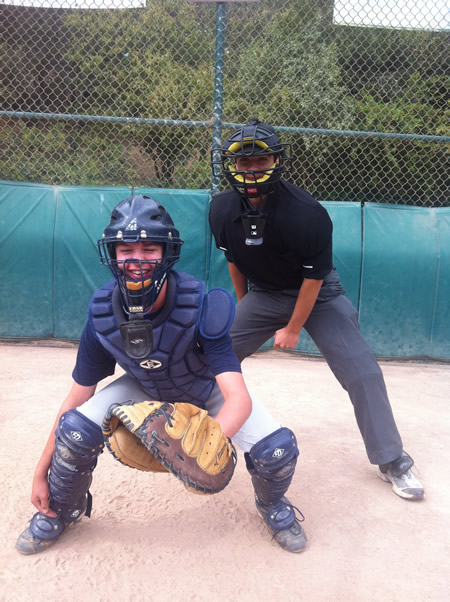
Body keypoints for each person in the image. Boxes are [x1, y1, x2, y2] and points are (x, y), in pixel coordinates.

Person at [16, 194, 307, 556]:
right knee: (74, 429)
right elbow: (76, 397)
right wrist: (40, 470)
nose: (137, 260)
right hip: (144, 386)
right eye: (125, 250)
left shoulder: (200, 303)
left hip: (203, 389)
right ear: (112, 254)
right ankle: (61, 509)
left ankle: (273, 505)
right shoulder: (103, 314)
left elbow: (238, 397)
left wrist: (208, 440)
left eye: (149, 248)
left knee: (277, 451)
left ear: (167, 251)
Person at [209, 118, 424, 501]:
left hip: (318, 295)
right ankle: (188, 432)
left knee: (363, 372)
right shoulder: (221, 210)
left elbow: (313, 281)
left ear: (277, 161)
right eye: (244, 163)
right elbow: (235, 262)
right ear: (231, 165)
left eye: (261, 161)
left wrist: (293, 329)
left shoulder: (306, 213)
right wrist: (246, 309)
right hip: (264, 293)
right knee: (209, 353)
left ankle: (393, 460)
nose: (252, 170)